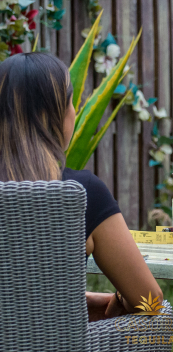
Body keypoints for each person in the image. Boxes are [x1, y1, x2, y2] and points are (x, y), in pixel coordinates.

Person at [0, 52, 162, 322]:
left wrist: (77, 299)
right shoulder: (80, 193)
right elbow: (150, 302)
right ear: (55, 115)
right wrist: (120, 298)